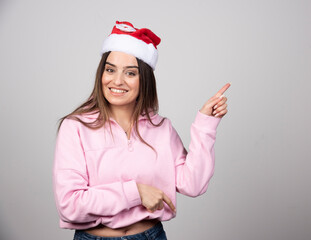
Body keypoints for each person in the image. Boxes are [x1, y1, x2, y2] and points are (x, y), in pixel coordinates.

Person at [53, 21, 230, 240]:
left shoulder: (161, 128)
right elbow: (70, 205)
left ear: (144, 79)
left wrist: (206, 124)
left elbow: (193, 185)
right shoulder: (76, 127)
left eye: (130, 73)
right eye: (110, 69)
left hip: (150, 235)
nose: (117, 81)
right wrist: (135, 193)